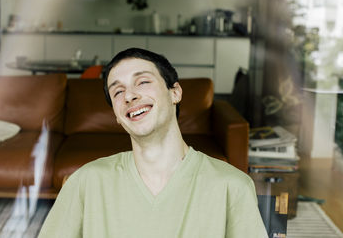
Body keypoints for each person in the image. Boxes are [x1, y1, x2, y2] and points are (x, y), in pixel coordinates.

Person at [38, 48, 267, 238]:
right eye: (118, 91)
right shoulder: (86, 181)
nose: (129, 96)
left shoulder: (232, 186)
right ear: (117, 116)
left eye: (143, 81)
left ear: (175, 93)